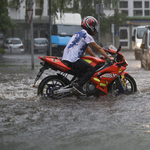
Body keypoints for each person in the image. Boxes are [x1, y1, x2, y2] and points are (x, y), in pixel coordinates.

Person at [62, 16, 114, 95]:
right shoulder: (86, 35)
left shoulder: (79, 33)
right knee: (91, 70)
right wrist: (108, 57)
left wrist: (96, 58)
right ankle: (78, 86)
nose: (95, 28)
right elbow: (98, 48)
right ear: (90, 26)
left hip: (67, 58)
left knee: (84, 70)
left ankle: (76, 85)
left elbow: (88, 49)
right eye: (94, 26)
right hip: (73, 59)